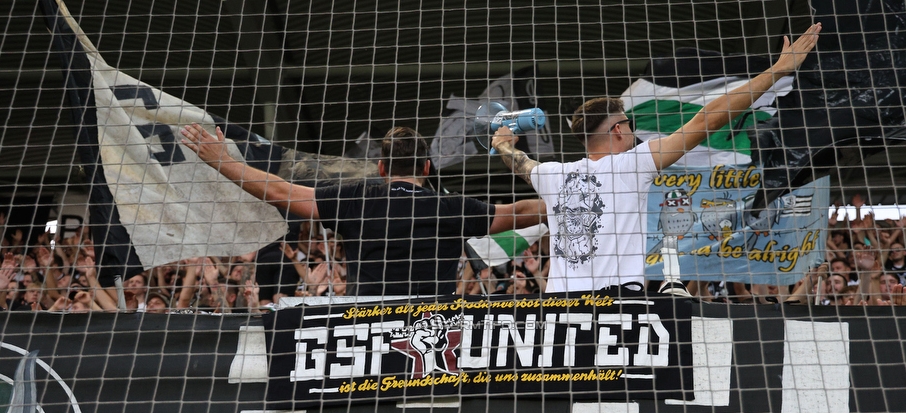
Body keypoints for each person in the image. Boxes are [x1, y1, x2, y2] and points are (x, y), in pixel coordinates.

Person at [490, 23, 822, 294]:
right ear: (619, 131)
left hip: (560, 310)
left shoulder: (554, 175)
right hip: (616, 307)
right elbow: (707, 119)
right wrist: (778, 70)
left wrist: (503, 142)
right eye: (628, 124)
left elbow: (519, 162)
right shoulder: (631, 165)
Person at [181, 125, 545, 297]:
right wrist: (581, 191)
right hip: (434, 324)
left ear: (382, 168)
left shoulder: (357, 198)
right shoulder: (451, 207)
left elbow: (277, 190)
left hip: (366, 324)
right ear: (427, 169)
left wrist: (221, 160)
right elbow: (522, 211)